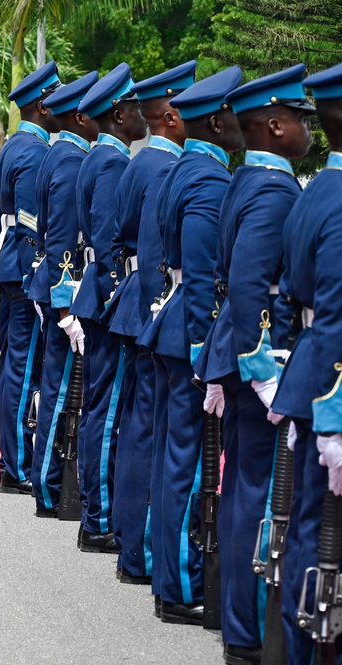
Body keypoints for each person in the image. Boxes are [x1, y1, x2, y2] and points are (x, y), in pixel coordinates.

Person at [194, 64, 312, 662]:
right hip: (262, 360)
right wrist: (265, 370)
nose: (309, 129)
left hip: (238, 353)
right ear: (276, 126)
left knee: (242, 485)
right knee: (261, 494)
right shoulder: (273, 190)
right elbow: (249, 285)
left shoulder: (247, 179)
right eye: (300, 119)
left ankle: (237, 623)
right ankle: (248, 631)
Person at [141, 65, 245, 627]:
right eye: (234, 113)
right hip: (190, 336)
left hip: (174, 327)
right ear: (218, 122)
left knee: (172, 456)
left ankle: (169, 576)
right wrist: (209, 354)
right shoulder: (208, 180)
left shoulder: (187, 168)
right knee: (185, 461)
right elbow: (204, 277)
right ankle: (180, 584)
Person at [105, 60, 194, 589]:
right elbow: (160, 253)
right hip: (154, 306)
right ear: (172, 115)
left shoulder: (141, 162)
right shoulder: (163, 167)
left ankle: (130, 539)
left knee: (139, 427)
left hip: (138, 303)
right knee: (146, 431)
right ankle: (137, 548)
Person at [269, 61, 342, 665]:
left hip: (312, 371)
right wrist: (335, 414)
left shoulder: (316, 190)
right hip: (332, 382)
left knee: (310, 533)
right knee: (322, 541)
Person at [70, 63, 147, 553]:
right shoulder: (113, 163)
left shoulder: (99, 157)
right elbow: (107, 239)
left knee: (101, 405)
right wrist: (121, 297)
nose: (143, 115)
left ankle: (98, 512)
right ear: (119, 115)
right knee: (107, 407)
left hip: (98, 295)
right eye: (136, 108)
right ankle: (97, 518)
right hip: (108, 300)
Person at [0, 61, 61, 497]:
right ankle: (18, 464)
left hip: (10, 264)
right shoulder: (33, 152)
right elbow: (31, 224)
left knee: (15, 364)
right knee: (23, 369)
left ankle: (12, 460)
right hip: (24, 270)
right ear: (43, 106)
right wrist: (37, 276)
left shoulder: (18, 145)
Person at [27, 70, 99, 517]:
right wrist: (66, 306)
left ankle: (47, 483)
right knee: (59, 393)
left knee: (56, 385)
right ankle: (51, 488)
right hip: (62, 289)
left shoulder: (61, 152)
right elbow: (64, 243)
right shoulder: (72, 160)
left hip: (52, 285)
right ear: (79, 117)